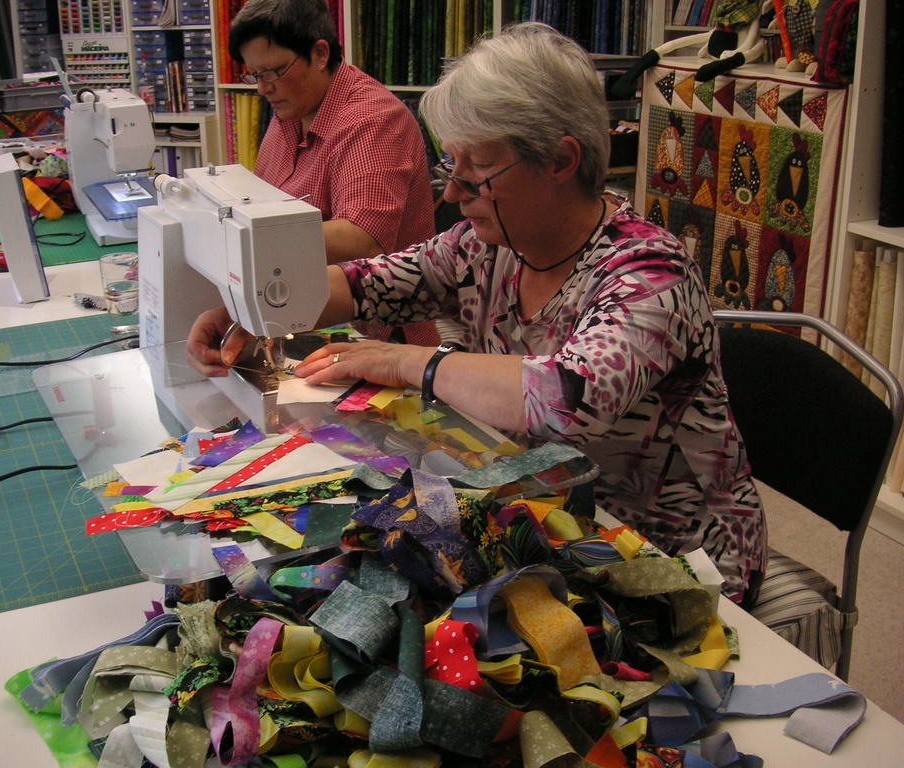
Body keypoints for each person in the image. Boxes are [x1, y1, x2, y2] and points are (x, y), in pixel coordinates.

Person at [188, 22, 766, 606]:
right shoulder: (486, 246)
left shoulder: (650, 273)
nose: (451, 194)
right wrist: (256, 307)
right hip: (541, 520)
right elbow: (371, 284)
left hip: (665, 564)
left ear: (560, 160)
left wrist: (410, 361)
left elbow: (567, 397)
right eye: (451, 167)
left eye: (474, 174)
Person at [225, 0, 441, 344]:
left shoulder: (372, 120)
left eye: (272, 72)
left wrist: (241, 240)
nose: (262, 88)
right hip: (307, 313)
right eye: (254, 75)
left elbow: (362, 239)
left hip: (381, 334)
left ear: (320, 53)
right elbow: (258, 203)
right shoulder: (291, 112)